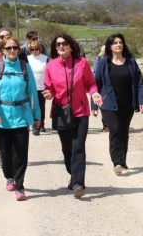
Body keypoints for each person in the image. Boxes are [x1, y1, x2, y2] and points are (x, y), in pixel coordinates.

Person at [42, 33, 103, 199]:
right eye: (58, 44)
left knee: (78, 146)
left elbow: (90, 83)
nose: (61, 46)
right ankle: (73, 175)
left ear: (71, 46)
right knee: (67, 149)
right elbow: (50, 88)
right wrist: (49, 94)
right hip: (61, 112)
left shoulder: (81, 63)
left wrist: (95, 93)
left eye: (64, 43)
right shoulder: (51, 66)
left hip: (80, 112)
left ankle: (78, 183)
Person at [0, 35, 41, 201]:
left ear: (19, 49)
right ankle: (9, 176)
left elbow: (32, 93)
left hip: (21, 116)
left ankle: (19, 185)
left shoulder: (24, 67)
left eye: (15, 48)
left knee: (21, 153)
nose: (12, 50)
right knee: (5, 152)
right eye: (8, 48)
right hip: (2, 118)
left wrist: (37, 116)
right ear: (2, 50)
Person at [93, 33, 143, 176]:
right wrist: (94, 105)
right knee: (115, 130)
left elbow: (139, 82)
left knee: (124, 132)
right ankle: (117, 162)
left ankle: (122, 160)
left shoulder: (130, 61)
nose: (118, 45)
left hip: (127, 104)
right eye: (115, 43)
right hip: (108, 104)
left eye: (120, 42)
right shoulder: (104, 62)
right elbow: (96, 83)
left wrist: (141, 100)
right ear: (110, 46)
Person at [0, 27, 28, 167]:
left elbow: (27, 77)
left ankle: (14, 157)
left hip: (18, 101)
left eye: (7, 35)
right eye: (1, 36)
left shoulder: (20, 55)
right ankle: (1, 151)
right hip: (0, 99)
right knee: (1, 128)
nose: (4, 38)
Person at [27, 40, 49, 135]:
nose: (34, 51)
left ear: (39, 49)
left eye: (36, 49)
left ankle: (41, 124)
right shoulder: (27, 59)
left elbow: (49, 73)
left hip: (42, 86)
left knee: (41, 107)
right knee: (32, 106)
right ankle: (35, 125)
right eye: (32, 49)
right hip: (31, 86)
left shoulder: (45, 59)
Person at [92, 45, 108, 133]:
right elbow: (95, 72)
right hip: (101, 86)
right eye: (104, 52)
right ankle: (105, 125)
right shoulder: (98, 60)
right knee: (103, 107)